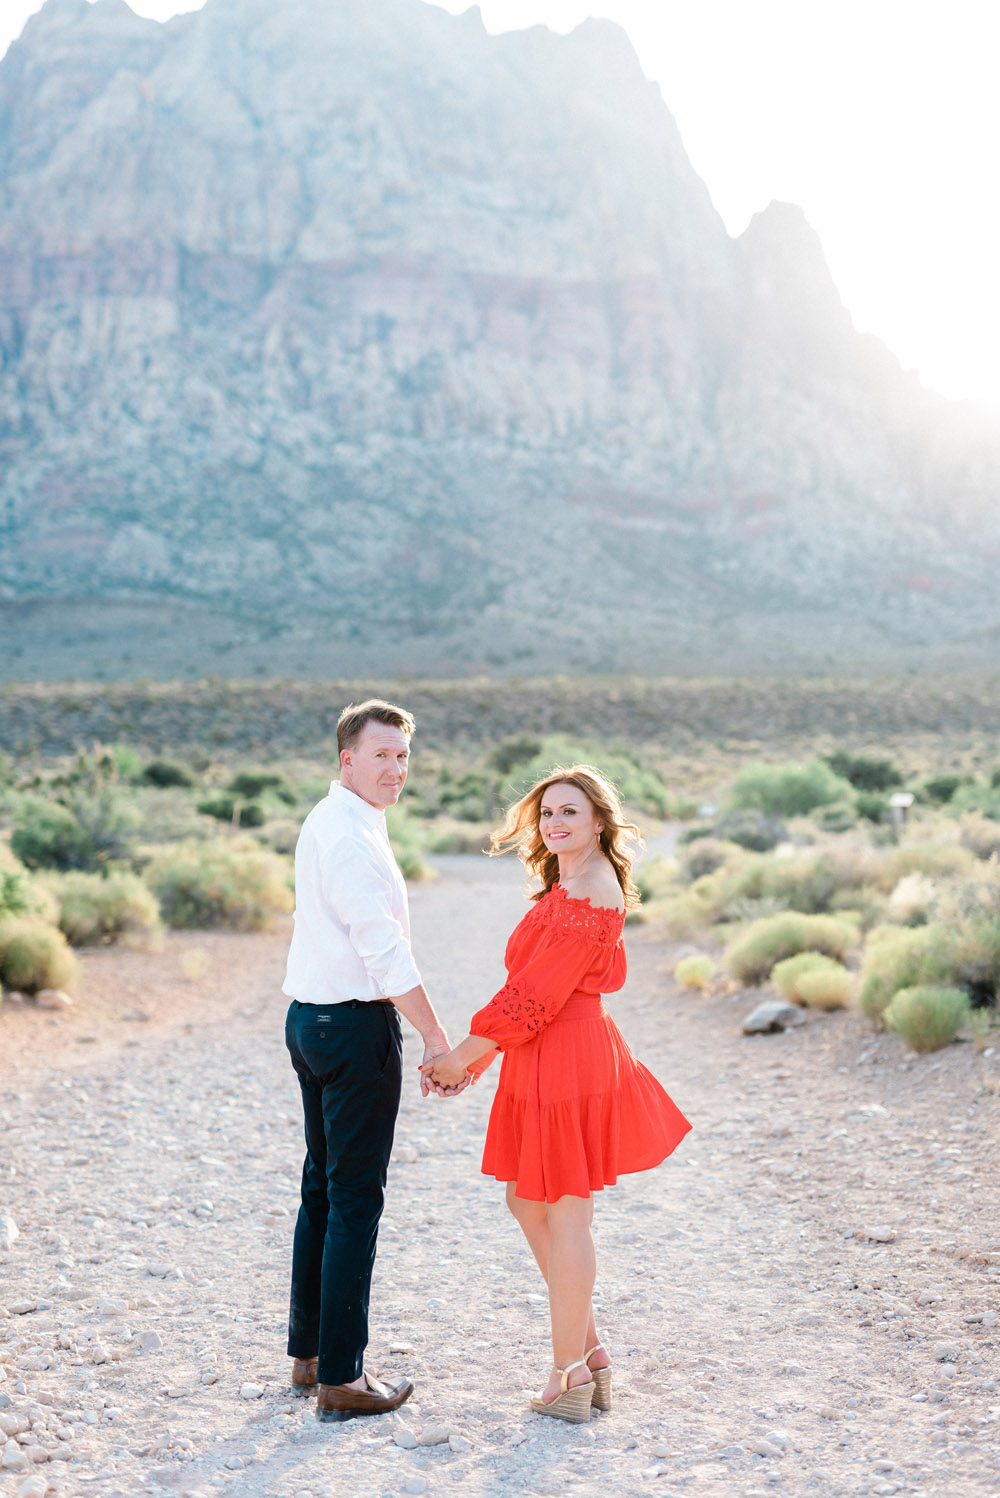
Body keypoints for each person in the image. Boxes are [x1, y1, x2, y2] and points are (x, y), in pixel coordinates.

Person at [422, 765, 691, 1423]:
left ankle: (566, 1370)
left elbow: (533, 996)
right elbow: (534, 995)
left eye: (569, 812)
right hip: (544, 1050)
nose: (555, 824)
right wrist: (480, 1061)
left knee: (567, 1210)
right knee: (526, 1199)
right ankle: (590, 1349)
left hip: (567, 1055)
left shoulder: (591, 890)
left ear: (599, 820)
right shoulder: (570, 882)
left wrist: (463, 1057)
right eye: (547, 815)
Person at [282, 698, 464, 1422]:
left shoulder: (333, 820)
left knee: (323, 1190)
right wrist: (436, 1038)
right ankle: (345, 1377)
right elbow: (383, 953)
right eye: (381, 755)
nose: (396, 769)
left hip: (309, 1022)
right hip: (353, 1029)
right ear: (346, 760)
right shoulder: (351, 837)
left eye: (403, 757)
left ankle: (310, 1356)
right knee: (355, 1198)